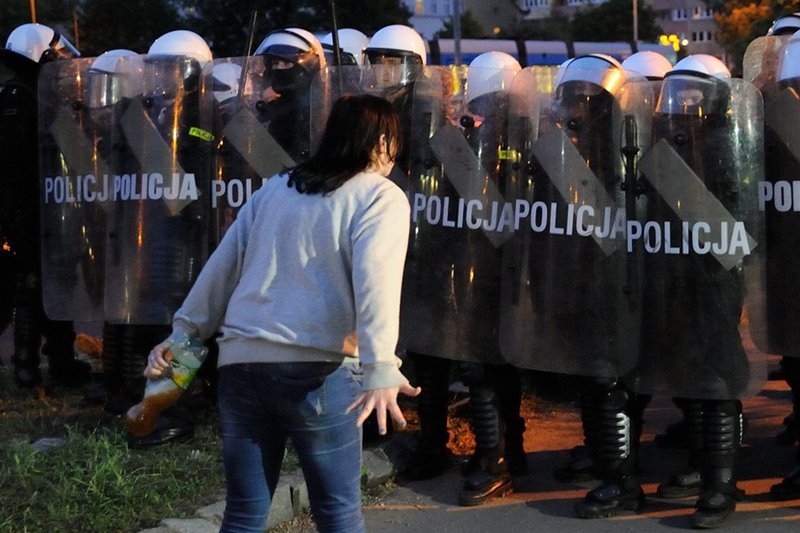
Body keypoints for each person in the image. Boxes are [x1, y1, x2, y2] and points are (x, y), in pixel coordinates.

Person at [144, 94, 420, 533]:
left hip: (241, 365)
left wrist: (184, 332)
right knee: (338, 514)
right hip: (320, 372)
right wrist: (380, 365)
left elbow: (223, 265)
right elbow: (376, 281)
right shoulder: (381, 196)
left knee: (242, 514)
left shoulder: (276, 188)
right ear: (383, 142)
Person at [0, 23, 87, 390]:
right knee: (43, 285)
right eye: (56, 54)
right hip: (36, 209)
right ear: (42, 55)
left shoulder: (15, 95)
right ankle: (46, 366)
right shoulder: (31, 100)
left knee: (38, 285)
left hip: (25, 209)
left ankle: (38, 365)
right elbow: (77, 159)